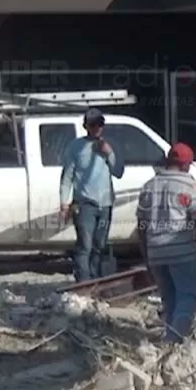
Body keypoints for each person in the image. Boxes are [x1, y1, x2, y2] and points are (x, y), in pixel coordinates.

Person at [137, 143, 196, 344]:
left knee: (170, 300)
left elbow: (141, 227)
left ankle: (171, 341)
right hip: (182, 254)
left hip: (155, 254)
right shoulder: (188, 186)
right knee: (187, 299)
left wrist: (147, 258)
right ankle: (171, 341)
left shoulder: (149, 186)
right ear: (187, 165)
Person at [59, 109, 125, 282]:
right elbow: (67, 176)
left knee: (99, 246)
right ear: (86, 126)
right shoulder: (76, 147)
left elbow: (118, 172)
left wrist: (108, 153)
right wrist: (64, 204)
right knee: (85, 246)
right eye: (93, 124)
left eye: (100, 124)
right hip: (84, 204)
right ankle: (84, 282)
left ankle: (96, 280)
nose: (97, 128)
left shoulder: (109, 145)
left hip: (106, 204)